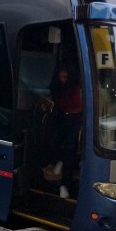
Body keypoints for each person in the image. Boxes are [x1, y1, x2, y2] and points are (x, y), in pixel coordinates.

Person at [43, 64, 82, 198]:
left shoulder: (77, 87)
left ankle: (64, 185)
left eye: (65, 77)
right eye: (60, 77)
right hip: (61, 115)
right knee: (52, 140)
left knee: (70, 151)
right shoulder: (57, 87)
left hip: (75, 118)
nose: (63, 80)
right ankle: (59, 159)